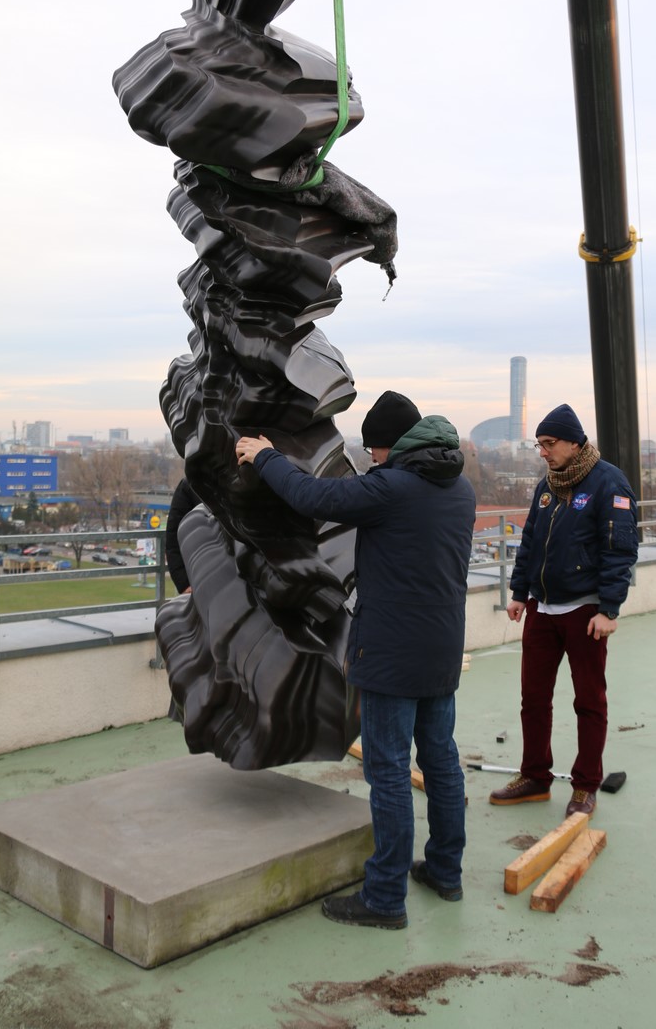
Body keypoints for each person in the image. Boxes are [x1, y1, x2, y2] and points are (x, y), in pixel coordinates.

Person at [236, 391, 476, 930]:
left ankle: (385, 896)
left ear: (387, 448)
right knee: (440, 759)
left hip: (392, 653)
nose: (369, 461)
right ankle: (445, 870)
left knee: (387, 770)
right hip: (441, 649)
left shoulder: (391, 488)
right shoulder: (460, 488)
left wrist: (265, 455)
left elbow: (312, 496)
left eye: (372, 452)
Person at [489, 403, 638, 819]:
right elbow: (530, 542)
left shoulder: (609, 483)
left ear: (575, 442)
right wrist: (519, 592)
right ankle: (535, 776)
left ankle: (585, 786)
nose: (543, 452)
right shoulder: (548, 486)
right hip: (542, 608)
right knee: (533, 698)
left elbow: (620, 549)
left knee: (589, 701)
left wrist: (609, 608)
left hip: (585, 610)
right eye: (539, 445)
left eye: (549, 444)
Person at [165, 477, 198, 594]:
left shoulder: (248, 479)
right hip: (200, 581)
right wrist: (184, 583)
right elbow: (173, 538)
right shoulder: (190, 485)